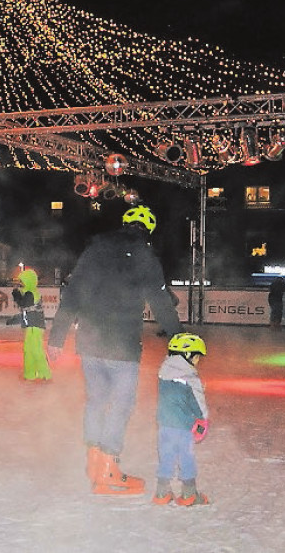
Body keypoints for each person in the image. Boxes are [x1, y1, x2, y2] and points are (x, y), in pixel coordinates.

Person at [48, 204, 183, 496]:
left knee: (96, 401)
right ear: (147, 230)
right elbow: (160, 301)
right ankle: (108, 469)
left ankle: (93, 463)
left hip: (90, 342)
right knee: (120, 405)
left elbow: (73, 293)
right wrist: (180, 341)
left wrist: (57, 337)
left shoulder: (94, 250)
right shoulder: (145, 255)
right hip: (122, 344)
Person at [154, 332, 211, 506]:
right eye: (196, 358)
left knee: (166, 456)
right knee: (186, 456)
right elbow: (198, 404)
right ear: (188, 356)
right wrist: (203, 421)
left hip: (164, 424)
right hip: (184, 426)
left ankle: (162, 492)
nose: (197, 362)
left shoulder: (163, 373)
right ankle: (189, 493)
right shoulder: (190, 378)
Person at [8, 268, 51, 382]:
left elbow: (23, 303)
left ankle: (45, 374)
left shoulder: (31, 293)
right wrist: (14, 320)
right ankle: (30, 374)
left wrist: (16, 294)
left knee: (36, 350)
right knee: (28, 350)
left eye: (23, 281)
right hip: (31, 326)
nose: (21, 283)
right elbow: (26, 310)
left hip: (34, 326)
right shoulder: (29, 292)